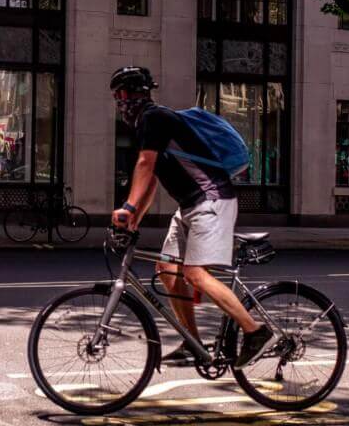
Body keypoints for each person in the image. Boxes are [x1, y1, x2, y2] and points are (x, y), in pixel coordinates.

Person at [109, 66, 277, 369]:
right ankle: (192, 342)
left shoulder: (154, 117)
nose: (119, 102)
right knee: (168, 269)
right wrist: (135, 217)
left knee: (195, 273)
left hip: (212, 200)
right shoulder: (149, 124)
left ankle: (256, 332)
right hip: (191, 205)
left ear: (133, 94)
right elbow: (153, 179)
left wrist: (129, 208)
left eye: (120, 95)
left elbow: (145, 165)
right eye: (116, 97)